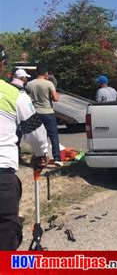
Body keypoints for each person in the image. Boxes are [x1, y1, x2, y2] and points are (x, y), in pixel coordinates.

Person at [0, 44, 49, 250]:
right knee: (5, 234)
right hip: (2, 177)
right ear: (2, 65)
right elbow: (37, 133)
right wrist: (41, 154)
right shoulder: (14, 95)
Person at [26, 65, 62, 167]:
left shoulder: (29, 84)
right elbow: (55, 99)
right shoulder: (49, 83)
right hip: (48, 112)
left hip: (35, 113)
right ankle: (57, 158)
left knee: (38, 137)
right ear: (45, 73)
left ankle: (38, 158)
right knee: (53, 135)